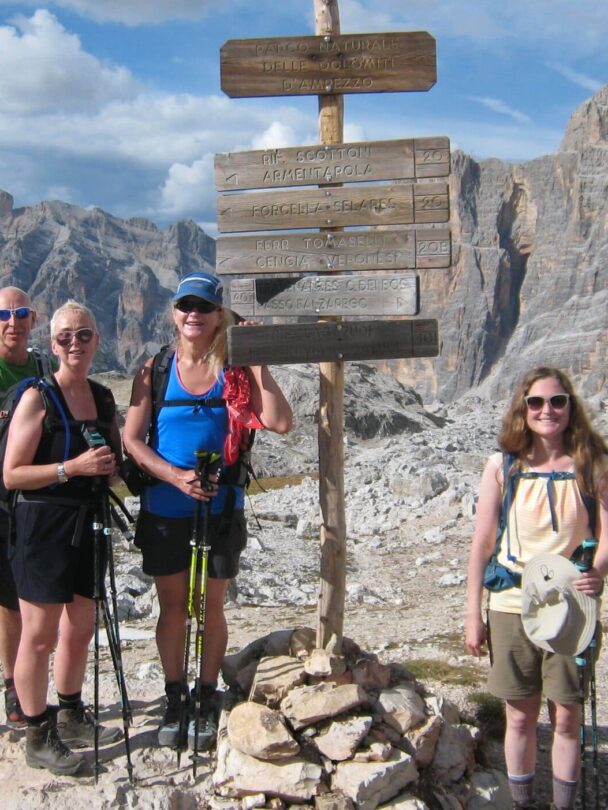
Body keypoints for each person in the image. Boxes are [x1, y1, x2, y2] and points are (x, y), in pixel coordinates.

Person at [123, 271, 292, 749]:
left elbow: (279, 421)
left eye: (203, 306)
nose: (193, 314)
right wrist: (175, 475)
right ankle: (175, 696)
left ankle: (206, 692)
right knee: (173, 607)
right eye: (185, 306)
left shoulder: (235, 370)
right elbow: (131, 440)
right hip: (164, 507)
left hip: (220, 509)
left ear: (221, 316)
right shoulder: (154, 368)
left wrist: (254, 357)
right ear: (174, 313)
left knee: (210, 606)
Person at [465, 367, 608, 810]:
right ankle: (523, 804)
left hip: (570, 607)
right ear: (523, 410)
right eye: (536, 402)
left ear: (570, 407)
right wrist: (473, 614)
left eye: (557, 401)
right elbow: (483, 543)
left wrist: (598, 570)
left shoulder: (592, 464)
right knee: (519, 715)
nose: (547, 410)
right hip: (511, 605)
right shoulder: (502, 466)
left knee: (566, 716)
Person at [3, 300, 122, 775]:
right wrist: (70, 468)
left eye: (84, 334)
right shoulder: (37, 396)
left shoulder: (103, 396)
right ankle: (37, 732)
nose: (75, 342)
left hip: (88, 520)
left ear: (97, 340)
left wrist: (110, 471)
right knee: (39, 634)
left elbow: (113, 469)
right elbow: (11, 473)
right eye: (65, 336)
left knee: (81, 621)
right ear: (51, 345)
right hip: (41, 526)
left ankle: (70, 712)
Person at [0, 286, 53, 729]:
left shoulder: (42, 367)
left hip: (27, 503)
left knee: (16, 598)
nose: (11, 322)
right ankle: (12, 687)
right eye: (3, 314)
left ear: (33, 320)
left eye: (20, 313)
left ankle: (19, 689)